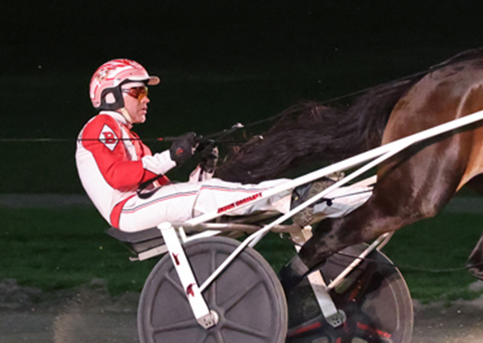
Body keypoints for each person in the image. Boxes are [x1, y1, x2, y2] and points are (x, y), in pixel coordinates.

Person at [75, 58, 355, 233]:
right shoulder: (100, 127)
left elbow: (170, 191)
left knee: (213, 190)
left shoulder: (127, 135)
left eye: (145, 91)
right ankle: (292, 197)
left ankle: (339, 203)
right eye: (138, 91)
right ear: (111, 96)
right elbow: (117, 176)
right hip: (128, 211)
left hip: (140, 205)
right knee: (210, 193)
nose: (146, 99)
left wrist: (205, 164)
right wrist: (172, 156)